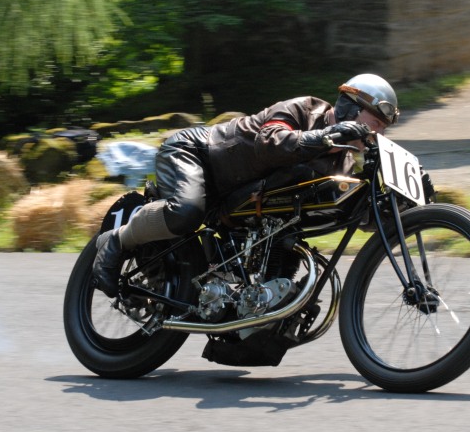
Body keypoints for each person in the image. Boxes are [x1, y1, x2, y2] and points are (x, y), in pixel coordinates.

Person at [93, 73, 400, 297]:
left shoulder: (343, 165)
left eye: (381, 130)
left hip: (236, 201)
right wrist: (326, 137)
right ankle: (117, 240)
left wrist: (399, 208)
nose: (375, 136)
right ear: (349, 108)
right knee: (185, 212)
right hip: (197, 155)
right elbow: (272, 142)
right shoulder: (303, 110)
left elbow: (357, 216)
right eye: (374, 125)